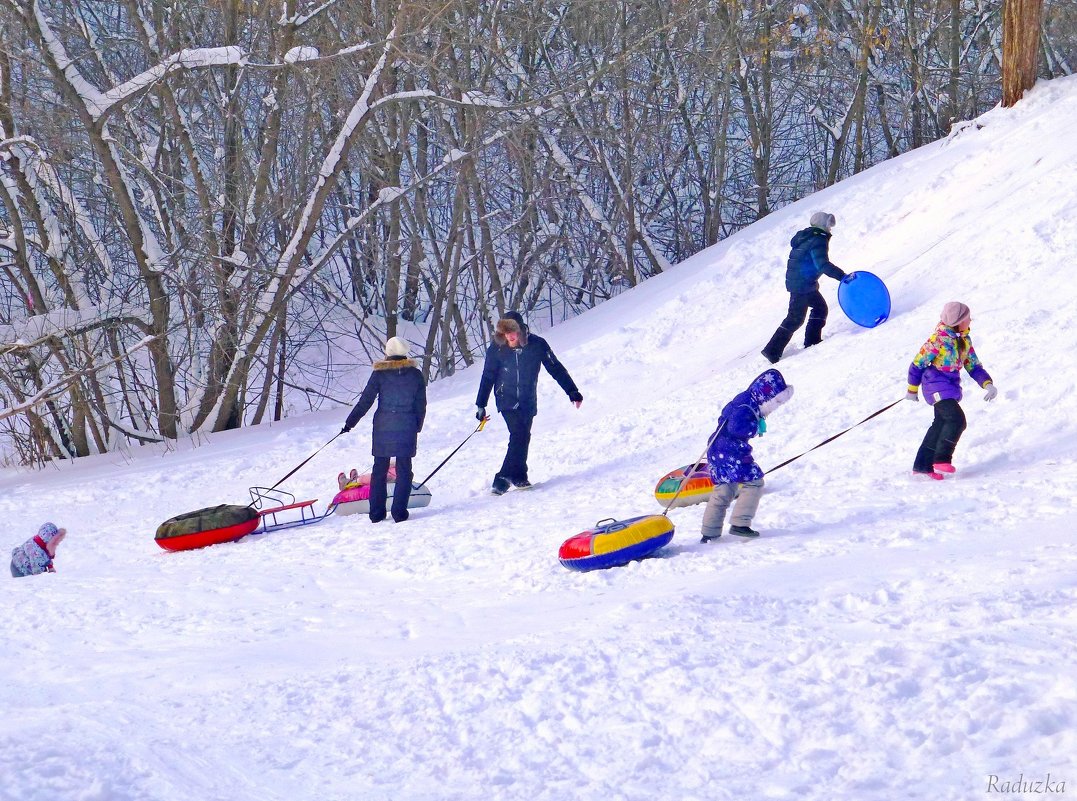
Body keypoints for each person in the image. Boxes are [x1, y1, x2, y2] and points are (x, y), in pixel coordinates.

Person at [475, 311, 583, 495]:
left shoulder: (537, 345)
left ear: (521, 330)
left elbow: (555, 368)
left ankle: (519, 476)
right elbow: (488, 376)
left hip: (527, 399)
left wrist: (572, 391)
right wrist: (481, 404)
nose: (510, 336)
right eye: (506, 333)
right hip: (506, 399)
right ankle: (502, 479)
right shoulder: (497, 348)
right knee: (518, 434)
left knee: (523, 436)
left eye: (513, 332)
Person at [700, 369, 793, 541]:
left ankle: (709, 532)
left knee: (724, 488)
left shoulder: (743, 400)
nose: (775, 406)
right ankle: (740, 524)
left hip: (717, 449)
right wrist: (755, 427)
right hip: (731, 451)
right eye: (776, 402)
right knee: (755, 482)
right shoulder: (747, 407)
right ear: (767, 396)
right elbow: (737, 428)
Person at [906, 302, 996, 479]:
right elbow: (917, 364)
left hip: (949, 386)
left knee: (940, 424)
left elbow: (973, 366)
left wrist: (987, 383)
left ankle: (922, 465)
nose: (970, 320)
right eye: (967, 318)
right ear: (958, 321)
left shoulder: (964, 340)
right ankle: (941, 459)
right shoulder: (938, 340)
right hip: (935, 384)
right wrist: (912, 389)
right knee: (956, 420)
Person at [343, 337, 427, 522]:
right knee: (405, 470)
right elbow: (421, 404)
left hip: (383, 425)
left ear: (388, 352)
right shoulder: (415, 374)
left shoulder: (379, 374)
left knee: (379, 469)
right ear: (405, 351)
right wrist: (417, 426)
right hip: (407, 425)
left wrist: (350, 423)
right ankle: (399, 513)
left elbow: (365, 401)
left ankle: (376, 514)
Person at [761, 211, 847, 364]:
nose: (830, 229)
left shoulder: (807, 237)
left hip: (801, 282)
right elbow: (822, 264)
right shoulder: (818, 239)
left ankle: (811, 341)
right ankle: (772, 350)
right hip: (802, 284)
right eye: (829, 225)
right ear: (823, 225)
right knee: (795, 318)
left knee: (819, 308)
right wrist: (842, 276)